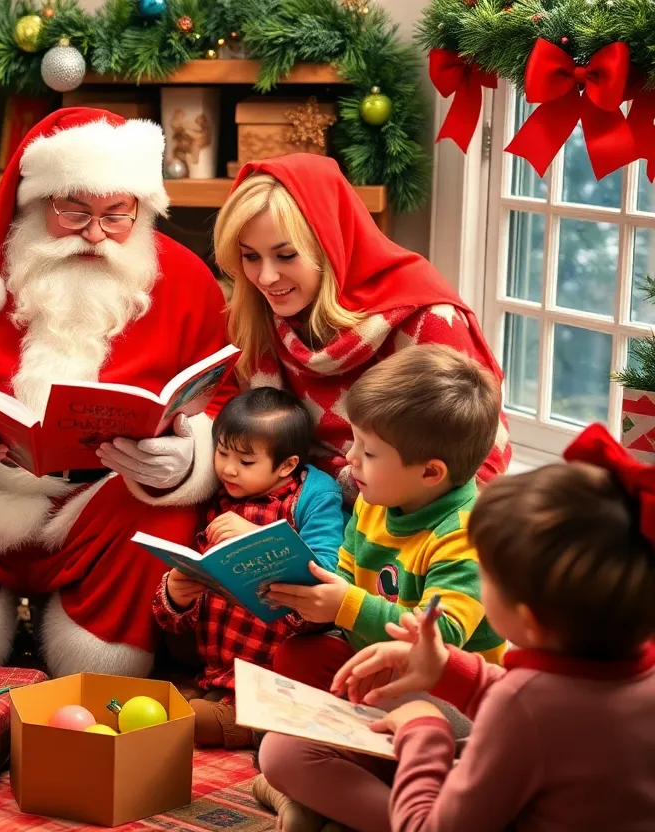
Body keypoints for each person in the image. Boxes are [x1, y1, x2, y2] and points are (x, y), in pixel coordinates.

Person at [0, 107, 228, 677]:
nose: (94, 233)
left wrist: (185, 461)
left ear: (142, 207)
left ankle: (99, 658)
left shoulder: (184, 278)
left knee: (164, 524)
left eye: (117, 215)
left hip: (105, 503)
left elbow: (222, 394)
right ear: (38, 203)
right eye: (73, 211)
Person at [258, 422, 655, 832]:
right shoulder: (632, 672)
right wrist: (449, 670)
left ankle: (348, 810)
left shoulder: (521, 706)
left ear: (530, 620)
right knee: (287, 747)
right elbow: (544, 711)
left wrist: (423, 732)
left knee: (286, 752)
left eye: (486, 576)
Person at [211, 155, 510, 503]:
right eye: (250, 256)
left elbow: (478, 468)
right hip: (294, 512)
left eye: (286, 255)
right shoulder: (252, 317)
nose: (265, 278)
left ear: (330, 245)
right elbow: (236, 438)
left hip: (410, 530)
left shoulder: (427, 318)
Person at [264, 345, 506, 695]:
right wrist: (318, 594)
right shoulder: (377, 497)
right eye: (354, 441)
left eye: (370, 452)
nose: (350, 457)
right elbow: (348, 566)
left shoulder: (468, 535)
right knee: (299, 657)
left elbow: (440, 637)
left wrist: (346, 605)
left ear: (430, 472)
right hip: (382, 660)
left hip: (446, 689)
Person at [152, 387, 344, 749]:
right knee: (161, 703)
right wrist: (178, 594)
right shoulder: (221, 496)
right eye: (222, 453)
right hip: (216, 663)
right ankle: (217, 700)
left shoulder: (314, 497)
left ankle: (258, 727)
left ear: (286, 465)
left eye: (245, 461)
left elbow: (327, 574)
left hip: (275, 673)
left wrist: (258, 538)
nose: (228, 468)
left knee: (189, 723)